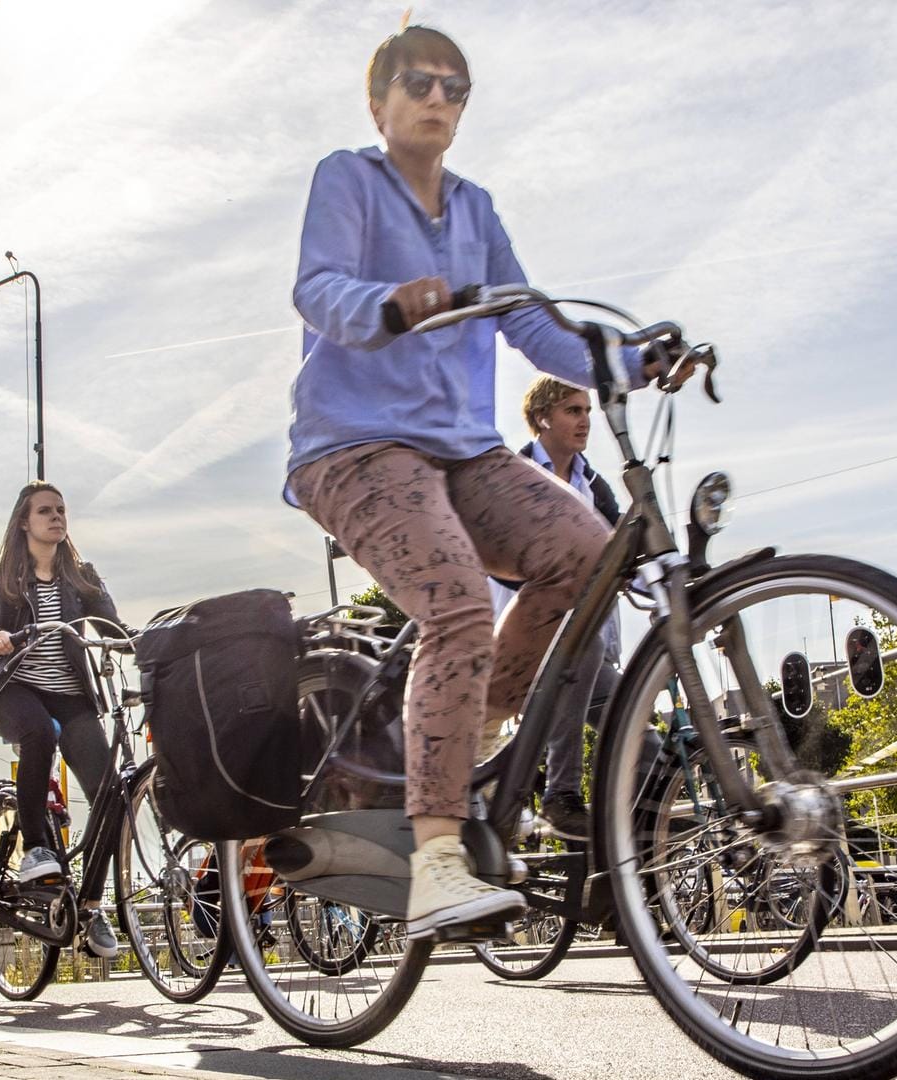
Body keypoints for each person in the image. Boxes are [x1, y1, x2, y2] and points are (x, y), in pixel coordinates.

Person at [286, 24, 686, 939]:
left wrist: (627, 357)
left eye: (455, 89)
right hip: (353, 447)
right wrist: (388, 304)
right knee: (460, 600)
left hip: (460, 450)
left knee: (589, 555)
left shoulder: (475, 209)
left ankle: (474, 736)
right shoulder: (347, 178)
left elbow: (536, 327)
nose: (438, 100)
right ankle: (434, 860)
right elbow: (317, 287)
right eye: (419, 84)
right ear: (379, 100)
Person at [0, 482, 126, 958]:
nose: (56, 517)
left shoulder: (82, 576)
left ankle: (93, 906)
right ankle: (38, 848)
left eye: (61, 510)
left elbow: (112, 624)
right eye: (45, 511)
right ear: (24, 522)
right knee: (39, 732)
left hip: (71, 696)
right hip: (13, 689)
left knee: (111, 793)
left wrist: (133, 641)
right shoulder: (3, 579)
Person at [487, 376, 626, 840]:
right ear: (542, 417)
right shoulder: (516, 475)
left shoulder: (595, 487)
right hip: (525, 640)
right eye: (573, 410)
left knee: (638, 736)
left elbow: (628, 558)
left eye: (587, 411)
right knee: (578, 644)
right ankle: (560, 795)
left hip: (589, 648)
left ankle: (622, 871)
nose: (585, 421)